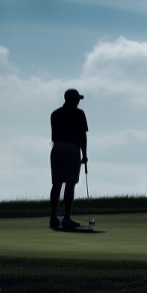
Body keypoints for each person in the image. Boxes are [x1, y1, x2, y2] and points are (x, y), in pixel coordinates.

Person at [49, 89, 88, 229]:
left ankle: (53, 217)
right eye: (77, 99)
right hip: (71, 147)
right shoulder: (79, 113)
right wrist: (84, 154)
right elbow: (82, 135)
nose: (78, 101)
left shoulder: (55, 114)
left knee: (57, 183)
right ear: (74, 100)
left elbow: (53, 136)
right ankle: (66, 218)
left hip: (56, 148)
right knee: (70, 183)